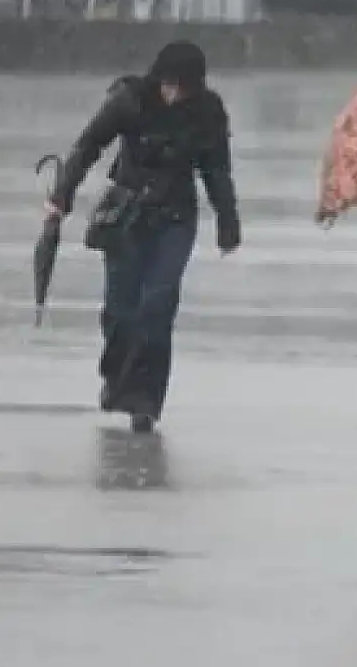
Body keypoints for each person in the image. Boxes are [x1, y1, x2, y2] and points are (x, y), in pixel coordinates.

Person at [44, 41, 240, 434]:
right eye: (169, 85)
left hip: (175, 219)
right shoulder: (129, 99)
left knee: (158, 306)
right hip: (126, 215)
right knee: (121, 310)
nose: (174, 95)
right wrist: (61, 196)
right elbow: (88, 146)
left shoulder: (207, 113)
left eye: (183, 88)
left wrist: (228, 221)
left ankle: (145, 401)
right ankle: (116, 379)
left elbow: (216, 170)